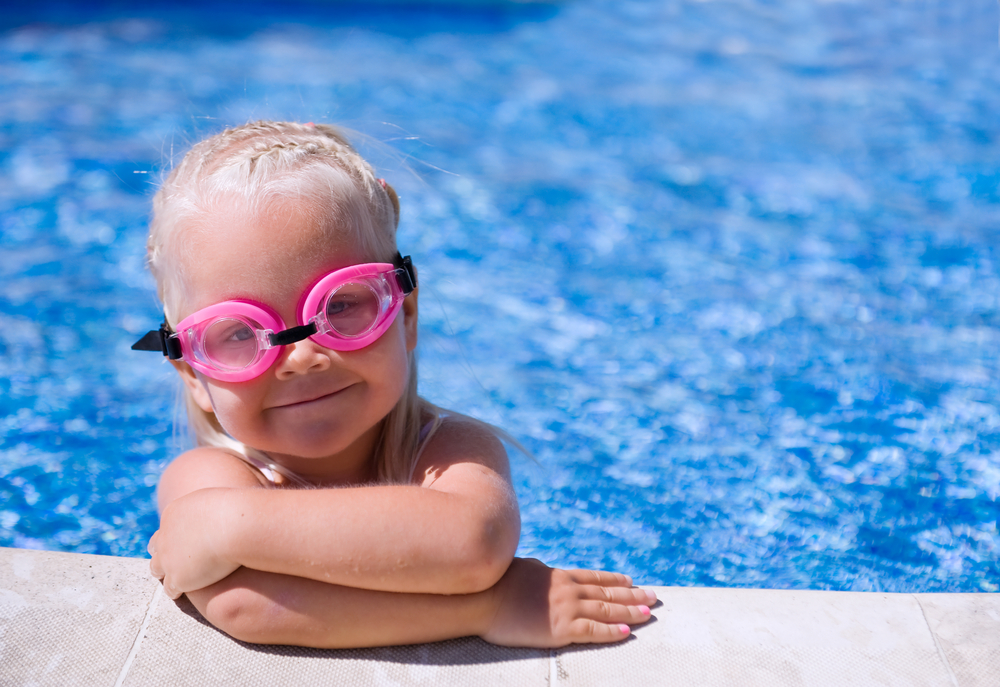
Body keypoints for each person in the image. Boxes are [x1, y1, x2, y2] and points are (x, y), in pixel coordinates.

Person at [135, 120, 655, 649]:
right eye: (240, 334)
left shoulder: (447, 448)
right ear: (194, 372)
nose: (302, 358)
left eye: (339, 306)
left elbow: (473, 542)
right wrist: (488, 606)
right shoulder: (211, 475)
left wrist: (232, 527)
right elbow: (245, 606)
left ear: (404, 315)